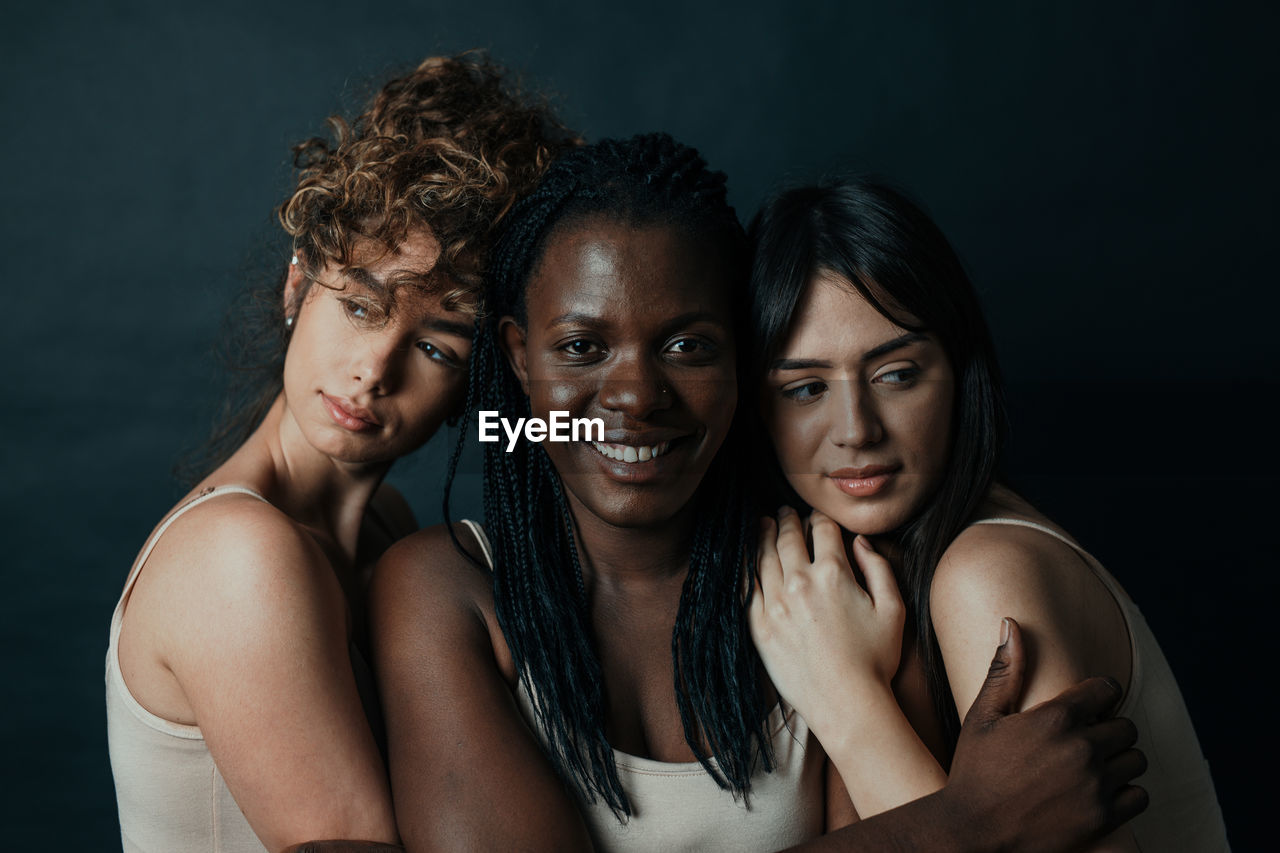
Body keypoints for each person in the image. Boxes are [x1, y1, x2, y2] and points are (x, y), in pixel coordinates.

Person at [370, 134, 1148, 852]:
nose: (636, 395)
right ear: (518, 354)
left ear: (741, 361)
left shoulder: (828, 586)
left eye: (687, 345)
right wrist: (959, 823)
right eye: (581, 346)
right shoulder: (446, 589)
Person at [106, 54, 573, 853]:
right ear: (297, 287)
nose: (374, 369)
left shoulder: (387, 526)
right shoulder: (237, 556)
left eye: (436, 345)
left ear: (478, 376)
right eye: (360, 306)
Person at [746, 180, 1229, 850]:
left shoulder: (985, 573)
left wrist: (844, 695)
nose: (855, 429)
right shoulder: (856, 581)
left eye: (896, 374)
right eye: (805, 388)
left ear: (957, 372)